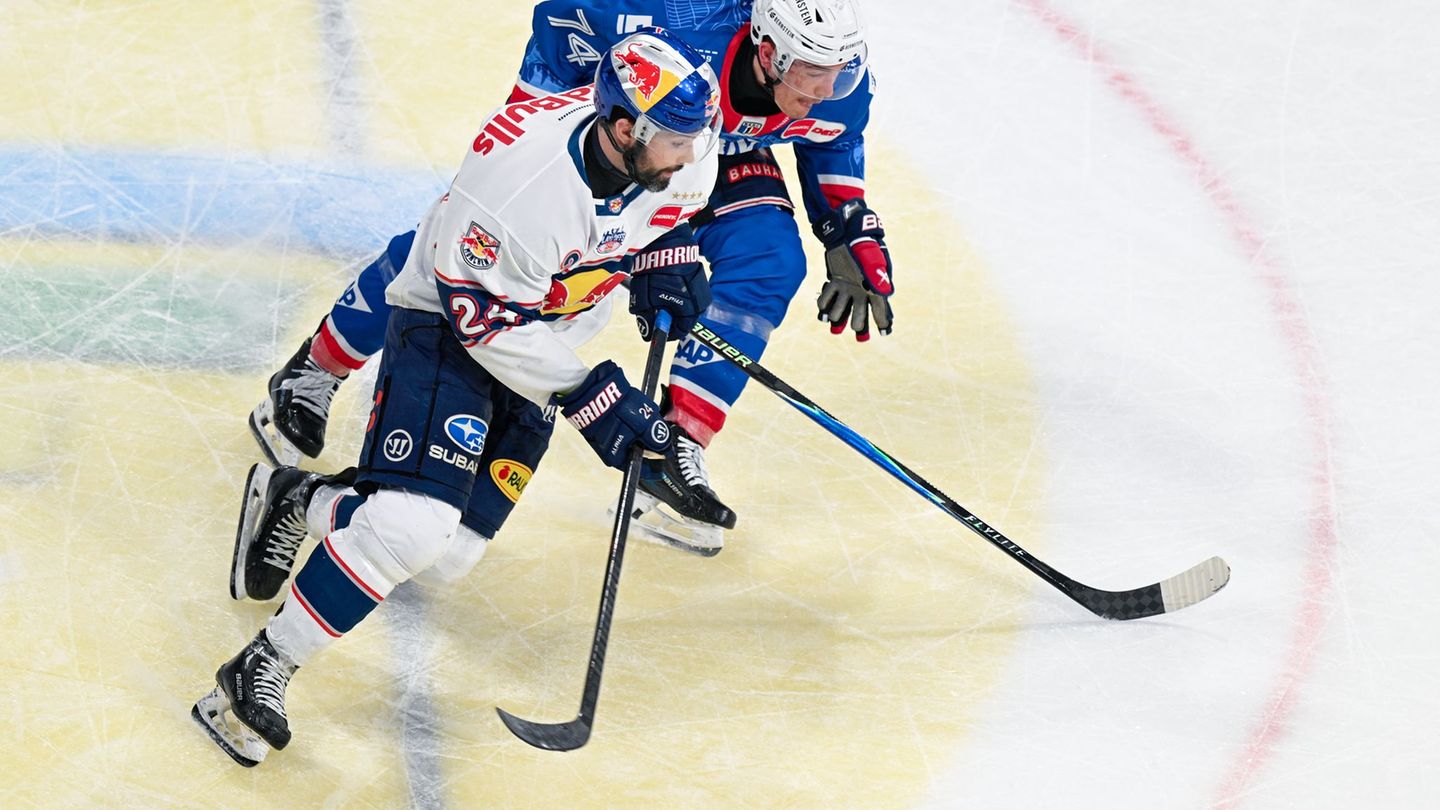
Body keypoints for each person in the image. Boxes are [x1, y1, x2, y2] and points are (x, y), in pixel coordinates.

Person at [194, 30, 722, 767]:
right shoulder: (516, 187)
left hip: (545, 331)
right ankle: (259, 669)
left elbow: (678, 210)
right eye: (677, 141)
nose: (694, 154)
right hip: (450, 321)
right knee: (412, 529)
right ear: (625, 127)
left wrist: (669, 259)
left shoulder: (679, 140)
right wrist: (591, 397)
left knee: (447, 557)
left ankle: (299, 499)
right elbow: (487, 325)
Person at [249, 0, 891, 555]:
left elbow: (832, 134)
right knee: (476, 245)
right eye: (811, 72)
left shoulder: (831, 76)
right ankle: (317, 368)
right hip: (615, 113)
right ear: (767, 48)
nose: (826, 86)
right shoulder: (662, 20)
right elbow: (563, 19)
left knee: (770, 261)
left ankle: (668, 452)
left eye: (837, 72)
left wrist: (849, 232)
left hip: (705, 148)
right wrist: (549, 132)